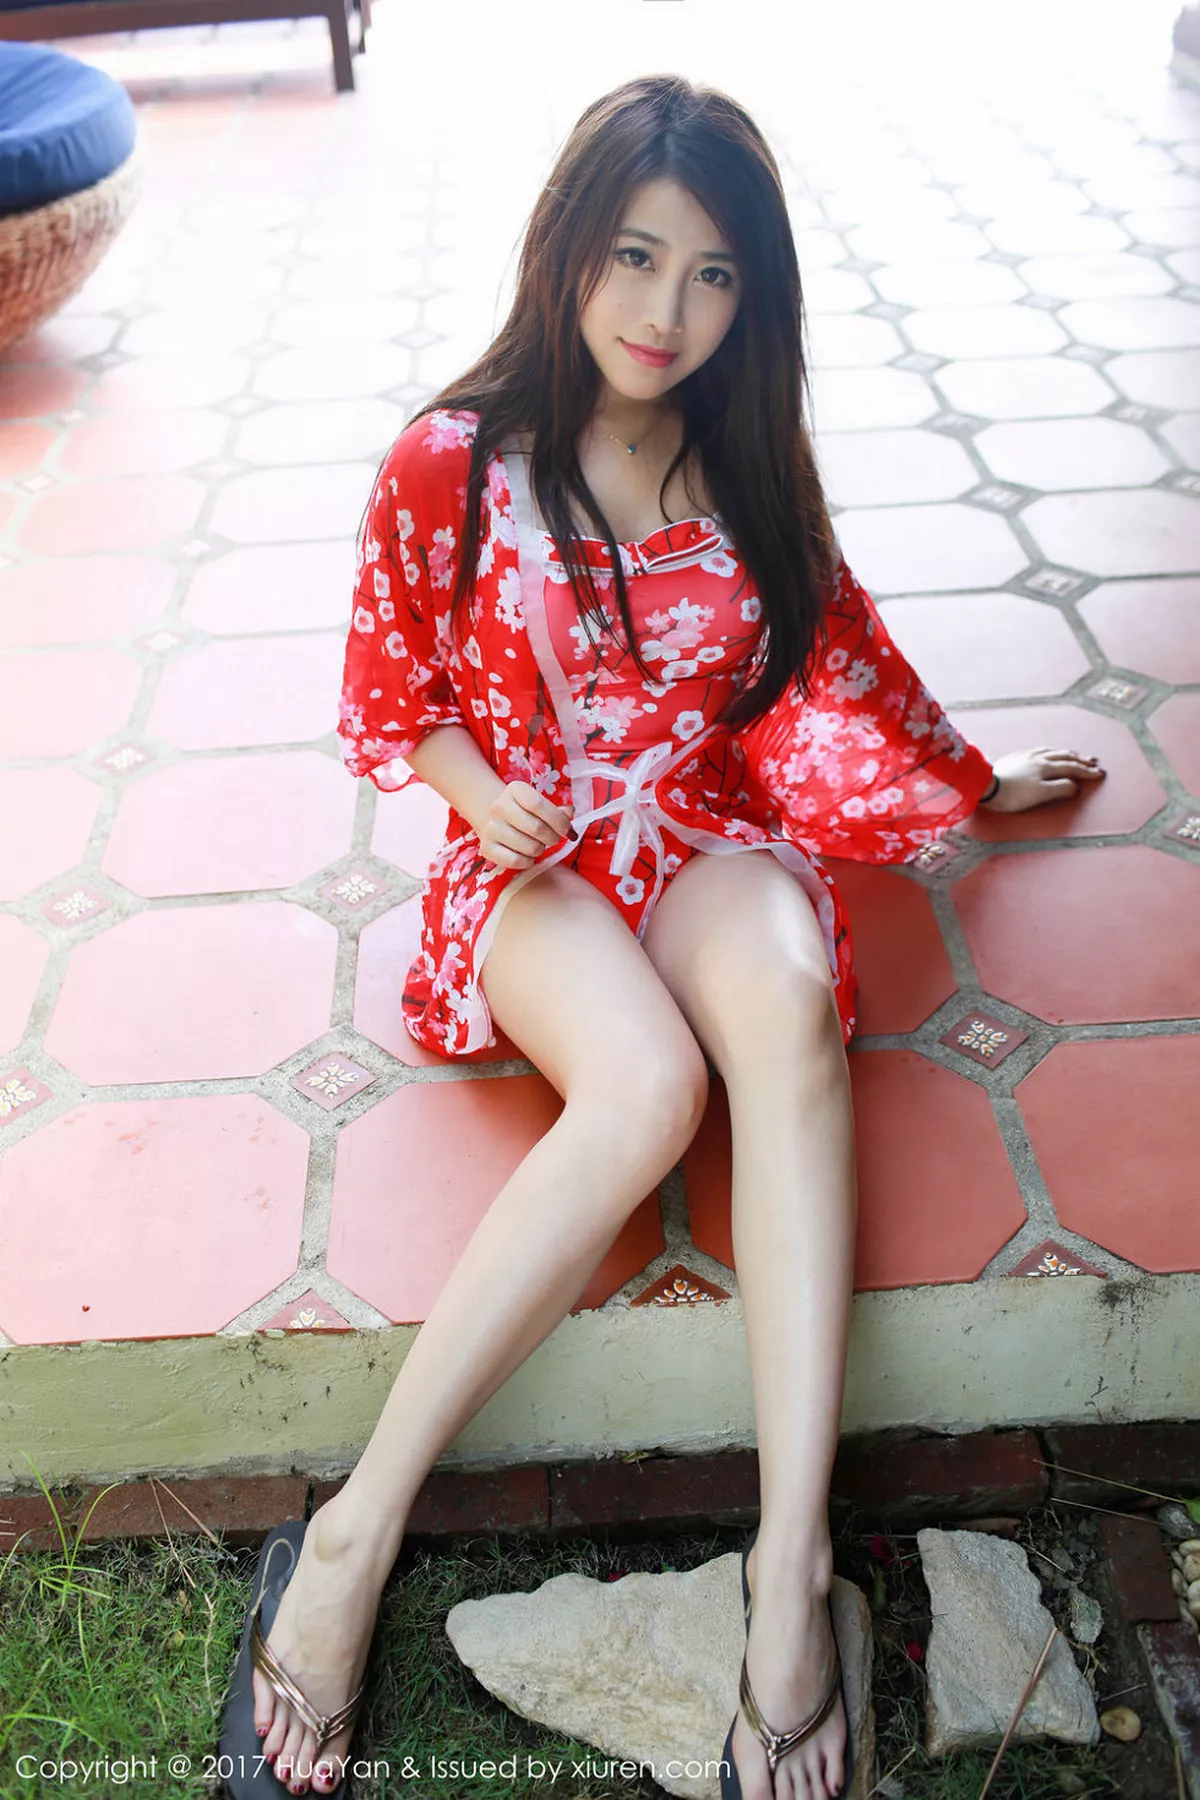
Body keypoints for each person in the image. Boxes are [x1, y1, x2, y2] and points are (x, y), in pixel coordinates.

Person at [218, 74, 1106, 1800]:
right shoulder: (453, 459)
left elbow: (845, 644)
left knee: (786, 1008)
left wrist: (970, 777)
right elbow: (394, 693)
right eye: (634, 257)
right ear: (568, 245)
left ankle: (792, 1564)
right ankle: (356, 1531)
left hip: (696, 827)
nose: (665, 311)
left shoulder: (743, 451)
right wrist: (480, 793)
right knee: (643, 1092)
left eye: (712, 274)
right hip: (536, 862)